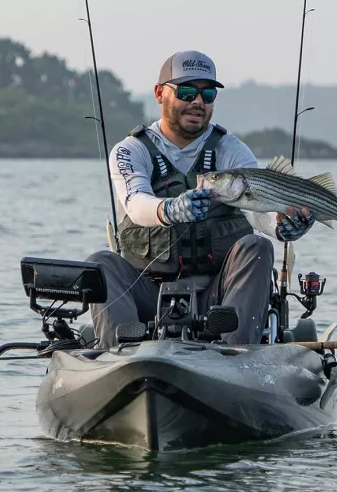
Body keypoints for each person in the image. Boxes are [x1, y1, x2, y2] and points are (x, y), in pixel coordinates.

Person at [87, 50, 314, 348]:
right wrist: (169, 208)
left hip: (218, 298)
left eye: (207, 94)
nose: (198, 102)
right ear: (159, 93)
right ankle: (119, 355)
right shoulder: (130, 151)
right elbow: (136, 203)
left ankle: (237, 353)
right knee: (101, 262)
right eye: (186, 91)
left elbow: (259, 214)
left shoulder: (232, 150)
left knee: (257, 246)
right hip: (147, 293)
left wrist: (281, 227)